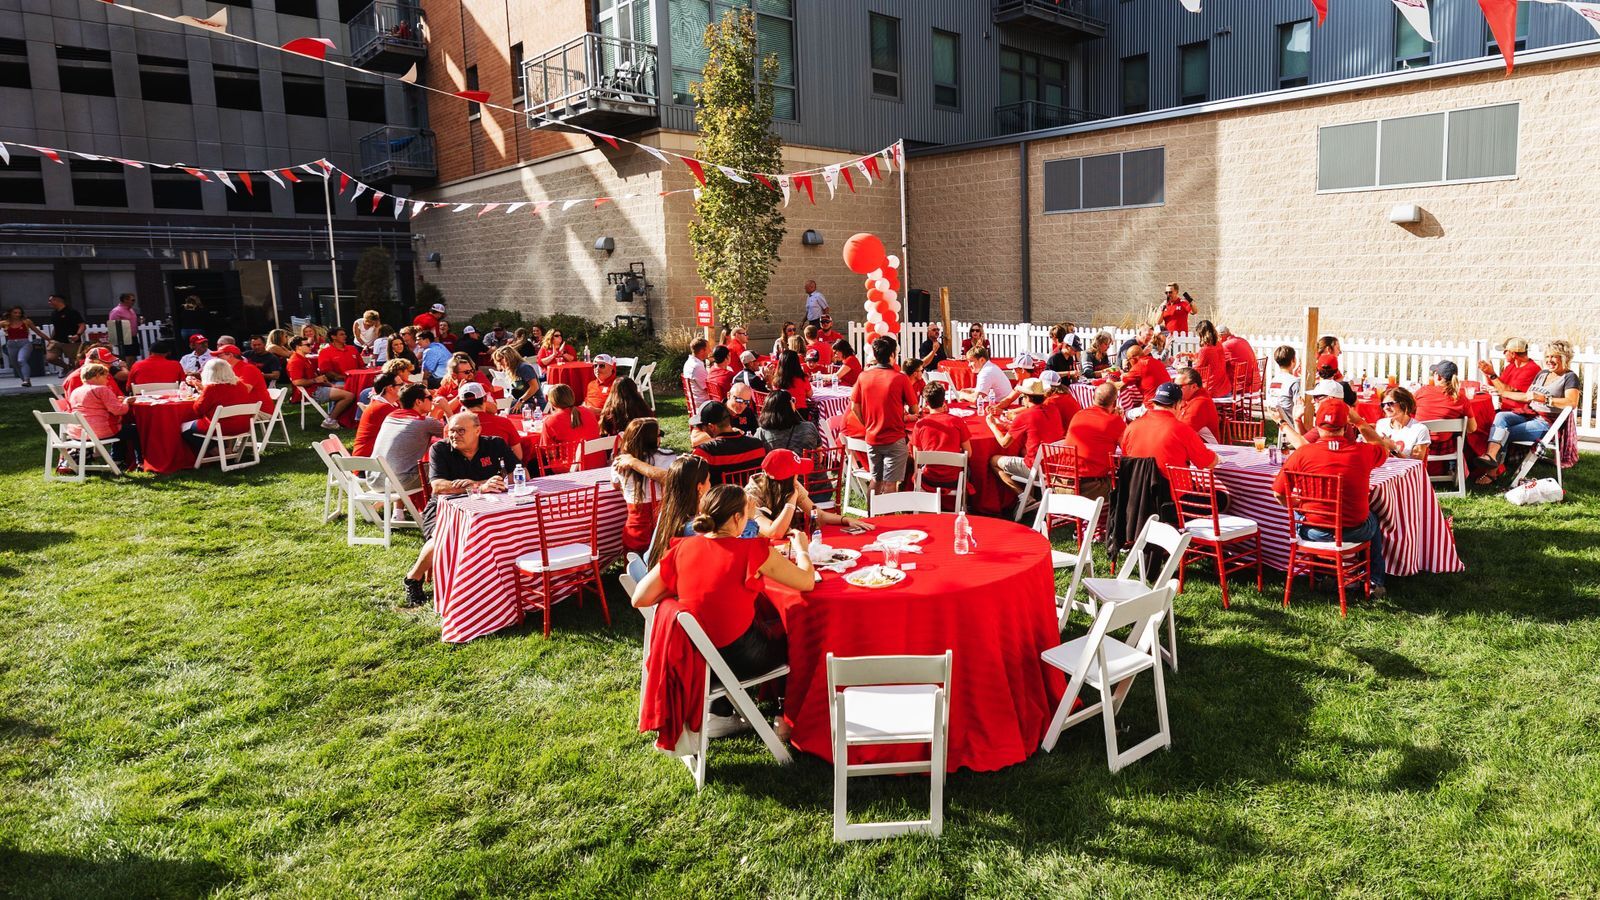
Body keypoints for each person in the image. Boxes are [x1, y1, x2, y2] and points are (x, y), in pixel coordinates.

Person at [632, 484, 816, 736]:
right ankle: (786, 716)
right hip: (740, 660)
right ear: (737, 518)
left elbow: (640, 597)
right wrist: (804, 550)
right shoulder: (752, 550)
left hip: (696, 657)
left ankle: (720, 711)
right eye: (746, 511)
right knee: (796, 636)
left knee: (754, 620)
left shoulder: (682, 549)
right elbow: (806, 581)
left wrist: (683, 590)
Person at [1272, 398, 1391, 597]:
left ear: (1317, 426)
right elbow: (1382, 447)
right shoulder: (1362, 452)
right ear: (1346, 426)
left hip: (1314, 532)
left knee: (1304, 515)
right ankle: (1374, 581)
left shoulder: (1302, 454)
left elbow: (1278, 494)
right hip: (1355, 531)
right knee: (1373, 518)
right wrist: (1360, 422)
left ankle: (1322, 574)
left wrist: (1300, 504)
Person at [402, 411, 518, 606]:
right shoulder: (440, 449)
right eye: (452, 431)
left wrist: (501, 483)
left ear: (478, 431)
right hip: (444, 505)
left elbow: (519, 472)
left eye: (461, 431)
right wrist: (478, 485)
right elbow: (438, 486)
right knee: (443, 535)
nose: (455, 435)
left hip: (490, 504)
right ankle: (413, 578)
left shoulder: (495, 444)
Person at [1479, 340, 1582, 472]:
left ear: (1564, 358)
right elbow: (1527, 396)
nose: (1549, 360)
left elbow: (1571, 402)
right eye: (1547, 356)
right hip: (1530, 414)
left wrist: (1544, 399)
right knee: (1501, 417)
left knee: (1503, 432)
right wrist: (1501, 392)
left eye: (1553, 356)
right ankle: (1491, 457)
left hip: (1546, 423)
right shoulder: (1543, 374)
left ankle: (1493, 471)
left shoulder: (1569, 377)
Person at [849, 335, 919, 494]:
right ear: (892, 355)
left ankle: (870, 518)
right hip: (894, 437)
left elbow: (854, 406)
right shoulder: (900, 378)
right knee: (890, 484)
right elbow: (915, 409)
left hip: (873, 437)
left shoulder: (863, 376)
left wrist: (867, 423)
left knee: (876, 480)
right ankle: (888, 519)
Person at [745, 449, 861, 538]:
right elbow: (774, 533)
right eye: (797, 473)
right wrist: (791, 500)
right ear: (788, 478)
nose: (798, 476)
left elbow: (817, 514)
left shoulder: (791, 486)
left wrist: (846, 520)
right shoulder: (752, 496)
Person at [1120, 382, 1218, 475]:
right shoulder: (1182, 430)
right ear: (1178, 405)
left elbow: (1126, 457)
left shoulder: (1131, 427)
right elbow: (1208, 464)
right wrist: (1216, 458)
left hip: (1136, 489)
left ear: (1154, 403)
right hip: (1171, 490)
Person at [986, 378, 1064, 493]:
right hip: (1056, 465)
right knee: (1023, 450)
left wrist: (992, 425)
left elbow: (1004, 443)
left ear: (1026, 398)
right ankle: (1029, 493)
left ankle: (1022, 496)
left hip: (1038, 469)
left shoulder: (1025, 416)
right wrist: (1004, 425)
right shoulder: (1053, 409)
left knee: (993, 460)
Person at [611, 418, 676, 555]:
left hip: (635, 529)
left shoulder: (619, 462)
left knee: (634, 569)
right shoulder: (669, 458)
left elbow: (615, 484)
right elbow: (672, 479)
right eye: (660, 434)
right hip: (664, 528)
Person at [373, 382, 444, 495]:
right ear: (418, 401)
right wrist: (447, 409)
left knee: (406, 465)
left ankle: (398, 511)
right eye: (429, 397)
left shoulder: (390, 418)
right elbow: (456, 434)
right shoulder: (423, 422)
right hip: (400, 482)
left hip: (374, 480)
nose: (432, 399)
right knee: (446, 464)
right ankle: (438, 506)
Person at [67, 362, 138, 465]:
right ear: (97, 376)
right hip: (97, 431)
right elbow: (119, 410)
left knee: (122, 429)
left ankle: (117, 459)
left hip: (78, 432)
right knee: (134, 430)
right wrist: (126, 402)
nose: (107, 379)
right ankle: (139, 462)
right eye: (105, 376)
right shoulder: (102, 389)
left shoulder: (76, 391)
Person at [648, 455, 713, 566]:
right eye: (708, 480)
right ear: (699, 488)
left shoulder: (667, 514)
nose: (711, 485)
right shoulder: (696, 527)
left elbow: (648, 557)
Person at [1065, 383, 1126, 501]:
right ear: (1114, 403)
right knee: (1128, 486)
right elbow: (1129, 448)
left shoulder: (1079, 414)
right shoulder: (1114, 421)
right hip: (1088, 488)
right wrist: (1118, 419)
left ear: (1093, 399)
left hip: (1060, 483)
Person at [180, 358, 256, 452]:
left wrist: (201, 394)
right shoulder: (241, 385)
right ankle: (225, 450)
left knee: (184, 428)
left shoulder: (211, 388)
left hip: (221, 427)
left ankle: (215, 451)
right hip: (243, 425)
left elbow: (198, 410)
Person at [910, 382, 973, 492]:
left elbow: (917, 457)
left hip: (928, 478)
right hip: (953, 479)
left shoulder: (920, 425)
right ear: (944, 400)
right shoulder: (957, 422)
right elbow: (969, 453)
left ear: (926, 403)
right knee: (969, 469)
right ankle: (965, 502)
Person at [691, 400, 769, 483]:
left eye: (702, 427)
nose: (702, 430)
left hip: (720, 495)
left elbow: (695, 483)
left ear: (711, 427)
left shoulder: (705, 452)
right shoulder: (758, 446)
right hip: (751, 494)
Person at [286, 336, 355, 429]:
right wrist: (315, 380)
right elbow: (296, 381)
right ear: (299, 347)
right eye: (307, 345)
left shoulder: (304, 358)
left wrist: (331, 385)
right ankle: (330, 420)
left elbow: (316, 378)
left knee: (349, 389)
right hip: (311, 392)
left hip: (315, 388)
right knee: (349, 396)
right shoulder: (295, 361)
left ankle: (339, 418)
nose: (311, 346)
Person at [457, 381, 525, 462]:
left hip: (467, 473)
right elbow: (518, 456)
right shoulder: (504, 423)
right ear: (485, 399)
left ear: (460, 402)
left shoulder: (451, 429)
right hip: (501, 471)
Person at [542, 383, 605, 469]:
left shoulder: (550, 421)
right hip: (599, 463)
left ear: (552, 403)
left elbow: (550, 453)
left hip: (573, 468)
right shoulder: (589, 412)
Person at [213, 343, 273, 415]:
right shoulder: (232, 369)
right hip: (246, 407)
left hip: (259, 410)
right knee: (210, 410)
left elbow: (243, 392)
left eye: (219, 356)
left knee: (213, 413)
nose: (217, 359)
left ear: (230, 355)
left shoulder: (248, 369)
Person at [1372, 386, 1431, 459]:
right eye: (1383, 405)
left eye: (1390, 403)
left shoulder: (1419, 429)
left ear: (1405, 404)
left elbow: (1415, 464)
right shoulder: (1381, 424)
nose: (1386, 408)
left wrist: (1394, 450)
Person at [352, 371, 401, 457]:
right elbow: (408, 429)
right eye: (401, 385)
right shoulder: (382, 408)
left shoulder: (382, 403)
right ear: (390, 388)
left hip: (372, 458)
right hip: (368, 464)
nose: (404, 387)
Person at [754, 389, 819, 452]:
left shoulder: (761, 433)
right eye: (793, 400)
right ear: (790, 405)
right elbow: (819, 457)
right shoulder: (809, 427)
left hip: (777, 463)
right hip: (806, 463)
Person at [1114, 344, 1170, 408]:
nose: (1129, 363)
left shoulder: (1139, 365)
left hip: (1152, 406)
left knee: (1127, 413)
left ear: (1133, 359)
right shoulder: (1155, 361)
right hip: (1168, 403)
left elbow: (1120, 386)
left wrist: (1109, 381)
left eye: (1129, 360)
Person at [1174, 367, 1221, 443]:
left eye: (1179, 387)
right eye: (1174, 386)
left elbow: (1181, 433)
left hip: (1208, 449)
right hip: (1195, 447)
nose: (1175, 389)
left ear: (1194, 387)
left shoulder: (1201, 403)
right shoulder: (1186, 399)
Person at [492, 345, 544, 414]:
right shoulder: (511, 370)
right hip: (521, 400)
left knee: (511, 412)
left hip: (534, 403)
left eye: (500, 360)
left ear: (509, 358)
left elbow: (535, 387)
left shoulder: (524, 367)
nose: (499, 363)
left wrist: (520, 401)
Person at [44, 295, 87, 375]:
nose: (49, 303)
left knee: (74, 362)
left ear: (57, 301)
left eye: (51, 301)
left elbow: (82, 325)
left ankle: (74, 376)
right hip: (57, 340)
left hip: (71, 341)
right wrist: (51, 339)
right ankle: (66, 367)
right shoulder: (54, 313)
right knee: (50, 358)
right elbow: (56, 327)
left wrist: (77, 335)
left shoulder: (72, 312)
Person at [1190, 320, 1232, 398]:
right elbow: (1208, 358)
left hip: (1213, 391)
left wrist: (1183, 368)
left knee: (1188, 391)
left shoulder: (1205, 349)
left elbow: (1196, 371)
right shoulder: (1219, 345)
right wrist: (1190, 355)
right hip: (1226, 389)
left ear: (1202, 335)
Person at [3, 306, 41, 386]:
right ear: (10, 313)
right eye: (15, 313)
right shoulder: (5, 323)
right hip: (11, 344)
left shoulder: (26, 322)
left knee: (21, 360)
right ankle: (25, 381)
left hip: (24, 343)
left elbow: (38, 332)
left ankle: (26, 380)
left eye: (19, 313)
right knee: (15, 364)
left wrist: (49, 340)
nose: (17, 314)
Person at [1266, 345, 1302, 424]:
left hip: (1278, 418)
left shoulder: (1273, 381)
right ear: (1293, 360)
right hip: (1292, 422)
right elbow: (1299, 405)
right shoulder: (1295, 381)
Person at [1217, 325, 1260, 392]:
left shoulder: (1226, 345)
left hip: (1242, 386)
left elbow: (1216, 364)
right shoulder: (1242, 340)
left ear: (1220, 336)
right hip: (1255, 383)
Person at [775, 349, 810, 416]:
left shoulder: (777, 379)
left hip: (782, 414)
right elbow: (810, 394)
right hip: (800, 414)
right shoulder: (802, 378)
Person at [106, 293, 140, 360]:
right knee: (128, 357)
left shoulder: (131, 310)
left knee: (134, 356)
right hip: (124, 338)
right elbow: (113, 326)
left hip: (133, 337)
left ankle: (131, 370)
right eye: (132, 300)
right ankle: (127, 370)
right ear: (125, 300)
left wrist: (138, 322)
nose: (134, 302)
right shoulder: (116, 311)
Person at [682, 337, 710, 406]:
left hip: (696, 401)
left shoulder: (689, 362)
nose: (710, 351)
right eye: (708, 348)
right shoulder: (697, 366)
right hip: (703, 403)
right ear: (702, 351)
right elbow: (708, 388)